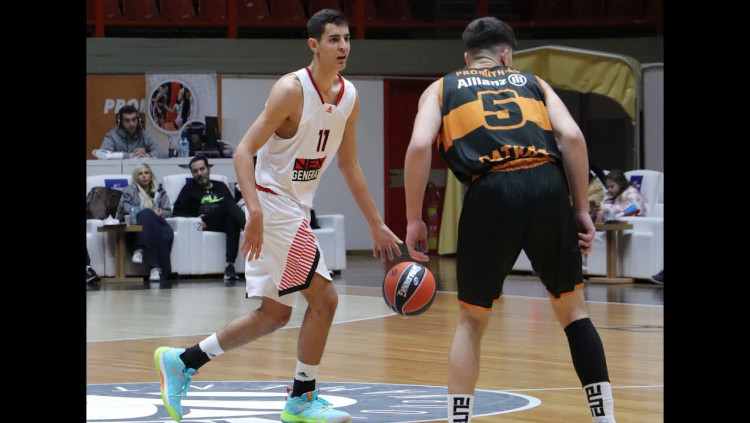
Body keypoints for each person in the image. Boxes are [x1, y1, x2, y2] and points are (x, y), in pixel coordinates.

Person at [153, 9, 402, 423]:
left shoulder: (350, 97)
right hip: (272, 204)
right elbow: (242, 151)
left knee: (274, 315)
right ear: (313, 45)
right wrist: (253, 211)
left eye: (346, 38)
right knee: (325, 299)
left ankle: (182, 362)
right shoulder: (291, 90)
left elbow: (349, 165)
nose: (343, 47)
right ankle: (302, 398)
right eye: (334, 39)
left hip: (295, 208)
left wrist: (375, 222)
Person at [402, 17, 617, 423]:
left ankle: (459, 419)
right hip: (546, 182)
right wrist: (580, 210)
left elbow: (418, 146)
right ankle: (604, 417)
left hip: (490, 190)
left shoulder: (442, 88)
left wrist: (415, 219)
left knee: (472, 319)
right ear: (505, 55)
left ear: (467, 57)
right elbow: (572, 137)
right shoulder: (533, 83)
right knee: (574, 312)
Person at [171, 155, 246, 281]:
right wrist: (196, 218)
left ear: (208, 169)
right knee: (228, 204)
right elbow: (176, 213)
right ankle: (248, 227)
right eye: (195, 171)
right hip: (205, 222)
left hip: (223, 221)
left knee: (231, 218)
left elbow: (232, 209)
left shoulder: (221, 186)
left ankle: (230, 266)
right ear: (192, 173)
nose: (199, 173)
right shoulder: (189, 189)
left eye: (202, 169)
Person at [115, 163, 174, 281]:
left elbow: (168, 210)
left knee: (158, 224)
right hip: (135, 224)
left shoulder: (160, 191)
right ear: (136, 177)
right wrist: (149, 212)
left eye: (146, 173)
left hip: (157, 224)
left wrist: (161, 212)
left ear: (151, 175)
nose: (144, 176)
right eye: (140, 174)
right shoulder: (129, 190)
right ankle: (155, 268)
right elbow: (127, 208)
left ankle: (140, 250)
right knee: (146, 213)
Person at [100, 104, 169, 159]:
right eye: (127, 120)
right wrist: (129, 155)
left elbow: (163, 153)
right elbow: (103, 155)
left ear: (138, 120)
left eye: (134, 119)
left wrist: (148, 155)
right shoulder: (112, 136)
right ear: (120, 122)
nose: (131, 124)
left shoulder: (144, 135)